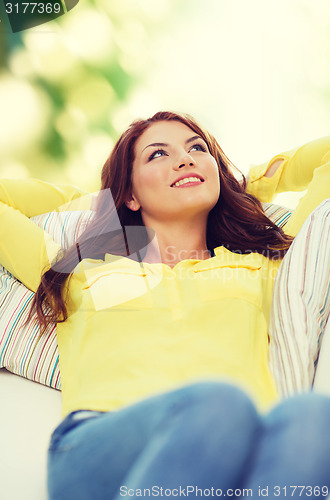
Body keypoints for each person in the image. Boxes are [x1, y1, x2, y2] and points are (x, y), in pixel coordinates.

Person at [0, 111, 329, 499]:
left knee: (313, 419)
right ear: (130, 194)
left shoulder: (263, 267)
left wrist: (234, 183)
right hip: (104, 448)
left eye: (197, 149)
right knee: (220, 404)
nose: (185, 159)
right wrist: (99, 201)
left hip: (241, 456)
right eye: (158, 154)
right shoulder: (83, 273)